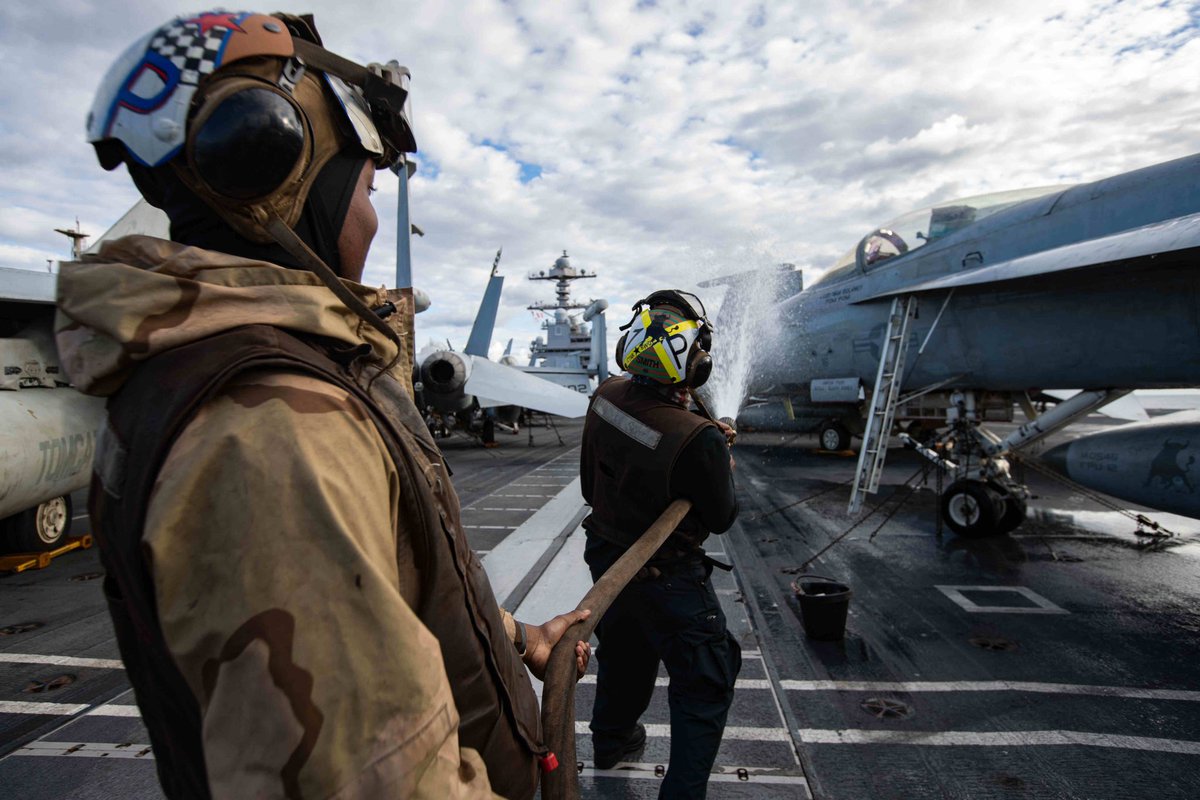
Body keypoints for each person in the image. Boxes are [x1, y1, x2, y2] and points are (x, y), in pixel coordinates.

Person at [57, 11, 588, 799]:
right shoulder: (271, 427)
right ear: (281, 176)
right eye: (368, 186)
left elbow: (378, 577)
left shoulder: (251, 380)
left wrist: (517, 638)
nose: (373, 219)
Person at [579, 290, 740, 799]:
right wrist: (718, 460)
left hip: (608, 559)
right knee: (707, 677)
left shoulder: (605, 395)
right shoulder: (699, 439)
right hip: (666, 573)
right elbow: (720, 518)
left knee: (625, 650)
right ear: (694, 364)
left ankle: (612, 740)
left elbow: (590, 487)